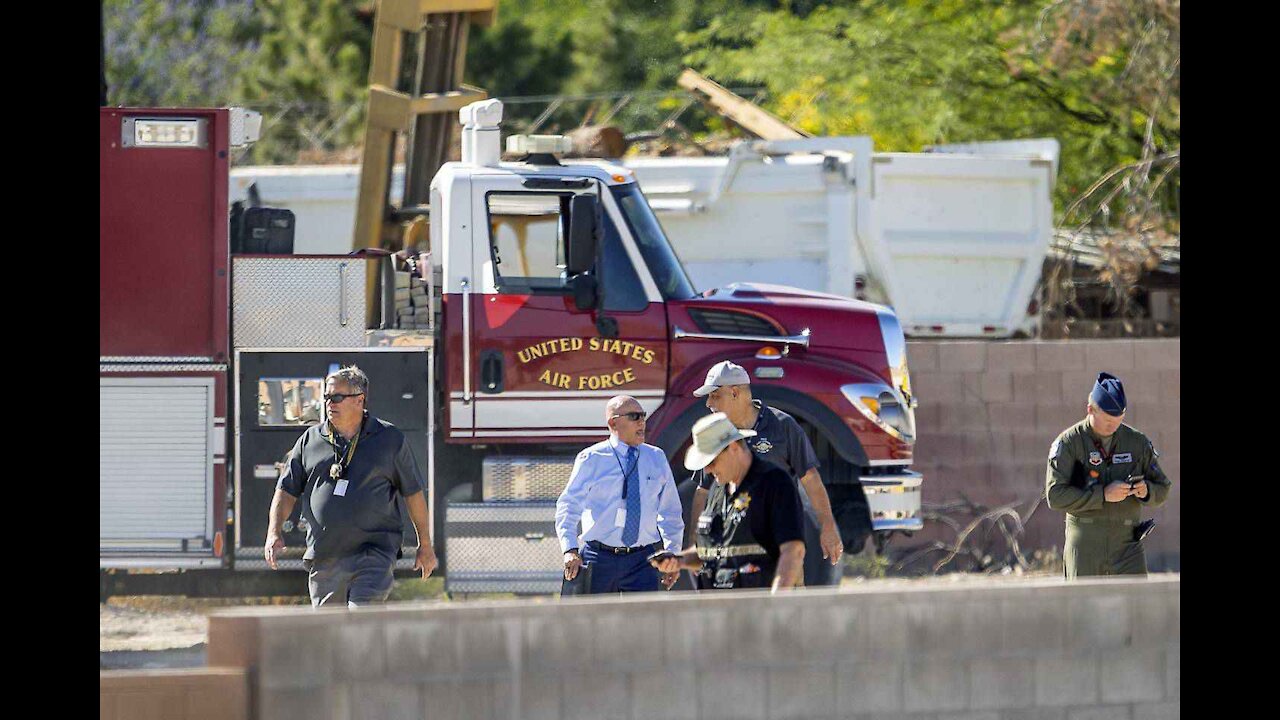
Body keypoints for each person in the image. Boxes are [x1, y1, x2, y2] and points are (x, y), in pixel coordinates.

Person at [264, 365, 437, 606]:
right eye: (326, 397)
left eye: (336, 397)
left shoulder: (389, 439)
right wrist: (274, 532)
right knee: (330, 636)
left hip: (373, 554)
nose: (329, 403)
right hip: (325, 557)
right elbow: (286, 491)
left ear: (359, 400)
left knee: (361, 622)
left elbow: (413, 493)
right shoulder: (310, 440)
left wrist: (425, 545)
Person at [686, 361, 847, 586]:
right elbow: (703, 491)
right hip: (732, 552)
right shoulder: (717, 434)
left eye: (714, 396)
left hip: (779, 548)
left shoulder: (782, 426)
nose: (708, 403)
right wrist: (696, 541)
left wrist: (827, 526)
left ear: (735, 392)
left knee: (784, 613)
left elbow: (810, 479)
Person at [652, 412, 805, 591]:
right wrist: (679, 560)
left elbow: (793, 550)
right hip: (718, 609)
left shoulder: (774, 483)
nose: (708, 470)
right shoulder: (718, 490)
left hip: (759, 607)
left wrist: (775, 606)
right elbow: (712, 551)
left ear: (733, 447)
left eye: (712, 461)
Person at [1045, 372, 1172, 579]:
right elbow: (1055, 495)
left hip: (1127, 544)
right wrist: (1102, 494)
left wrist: (1147, 491)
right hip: (1085, 542)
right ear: (1090, 410)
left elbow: (1163, 487)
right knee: (1084, 607)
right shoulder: (1069, 443)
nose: (1112, 427)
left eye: (1118, 421)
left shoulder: (1136, 442)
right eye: (1106, 421)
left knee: (1135, 607)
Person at [556, 395, 685, 593]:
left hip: (643, 560)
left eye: (643, 415)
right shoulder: (591, 458)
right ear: (613, 423)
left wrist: (673, 555)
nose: (642, 421)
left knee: (644, 623)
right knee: (592, 622)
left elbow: (670, 512)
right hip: (598, 558)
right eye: (634, 416)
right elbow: (568, 505)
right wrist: (570, 549)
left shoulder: (656, 458)